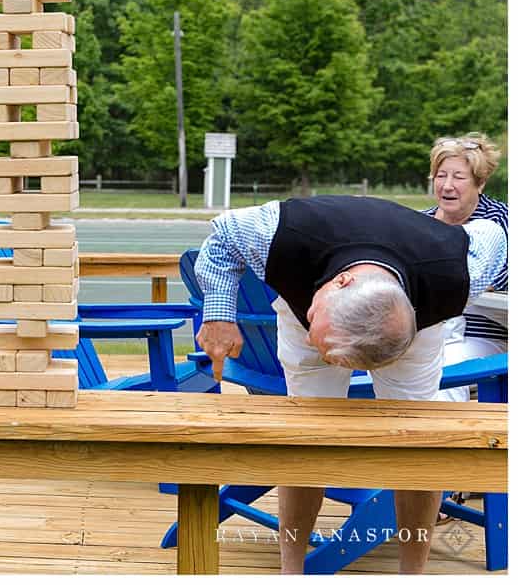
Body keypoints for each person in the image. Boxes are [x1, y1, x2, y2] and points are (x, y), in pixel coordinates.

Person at [193, 195, 506, 575]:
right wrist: (218, 313)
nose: (318, 349)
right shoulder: (285, 231)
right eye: (321, 337)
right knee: (306, 440)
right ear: (340, 283)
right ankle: (291, 572)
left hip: (414, 314)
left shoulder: (455, 272)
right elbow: (223, 236)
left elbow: (492, 232)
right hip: (313, 281)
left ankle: (413, 576)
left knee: (416, 446)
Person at [422, 134, 507, 403]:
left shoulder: (501, 221)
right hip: (425, 331)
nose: (447, 185)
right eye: (440, 175)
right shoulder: (419, 223)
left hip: (484, 333)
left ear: (479, 183)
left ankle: (440, 440)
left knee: (440, 373)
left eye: (458, 177)